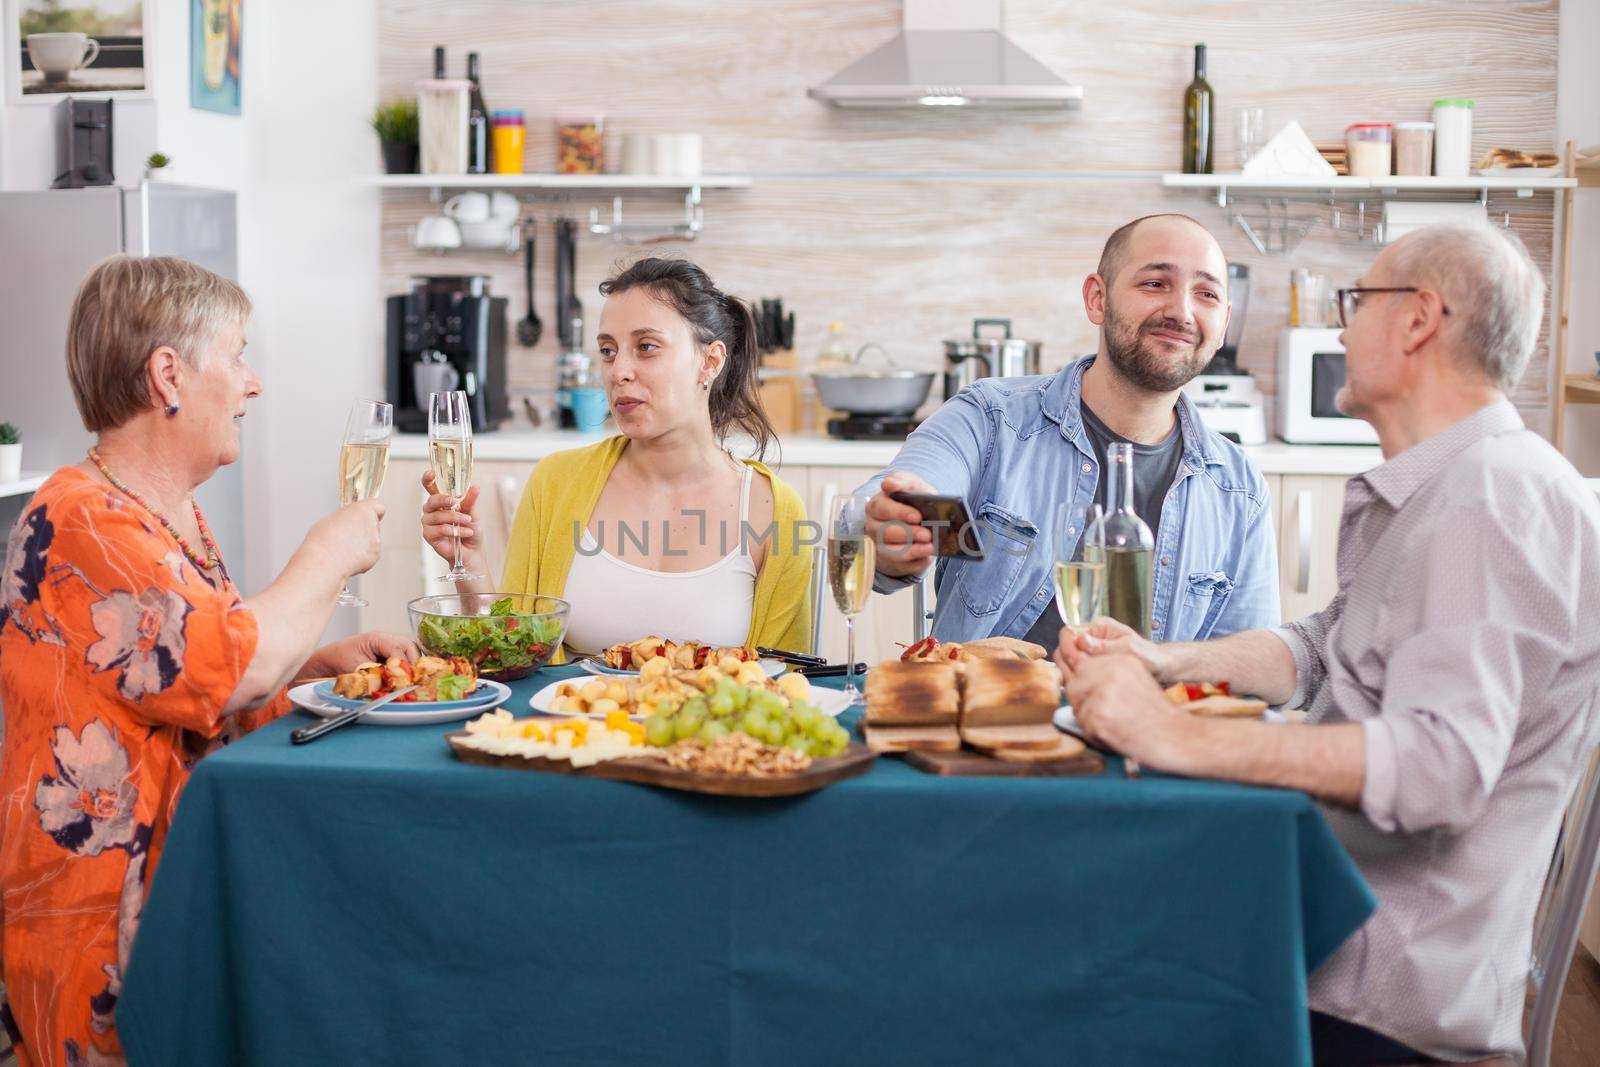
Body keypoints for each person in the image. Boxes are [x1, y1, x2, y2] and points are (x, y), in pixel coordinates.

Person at [1059, 224, 1600, 1065]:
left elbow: (1436, 767)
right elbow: (1321, 646)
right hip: (1333, 939)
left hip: (1375, 997)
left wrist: (1169, 732)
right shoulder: (1453, 486)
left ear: (1419, 319)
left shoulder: (1489, 502)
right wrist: (1164, 661)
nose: (1342, 332)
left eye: (1359, 305)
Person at [0, 255, 415, 1066]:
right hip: (95, 933)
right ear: (168, 376)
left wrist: (313, 668)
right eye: (237, 354)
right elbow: (229, 664)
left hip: (171, 907)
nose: (252, 382)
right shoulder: (82, 519)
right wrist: (328, 555)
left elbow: (191, 691)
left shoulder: (165, 516)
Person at [860, 214, 1278, 647]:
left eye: (1206, 294)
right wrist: (891, 533)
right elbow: (885, 506)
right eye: (1155, 284)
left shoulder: (1239, 490)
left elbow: (1242, 668)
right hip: (991, 710)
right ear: (1097, 299)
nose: (1181, 312)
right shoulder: (990, 419)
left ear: (1223, 323)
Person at [422, 258, 811, 658]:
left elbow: (789, 686)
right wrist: (469, 565)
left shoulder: (772, 510)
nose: (619, 370)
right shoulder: (557, 482)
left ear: (709, 361)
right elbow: (511, 656)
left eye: (646, 347)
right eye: (608, 351)